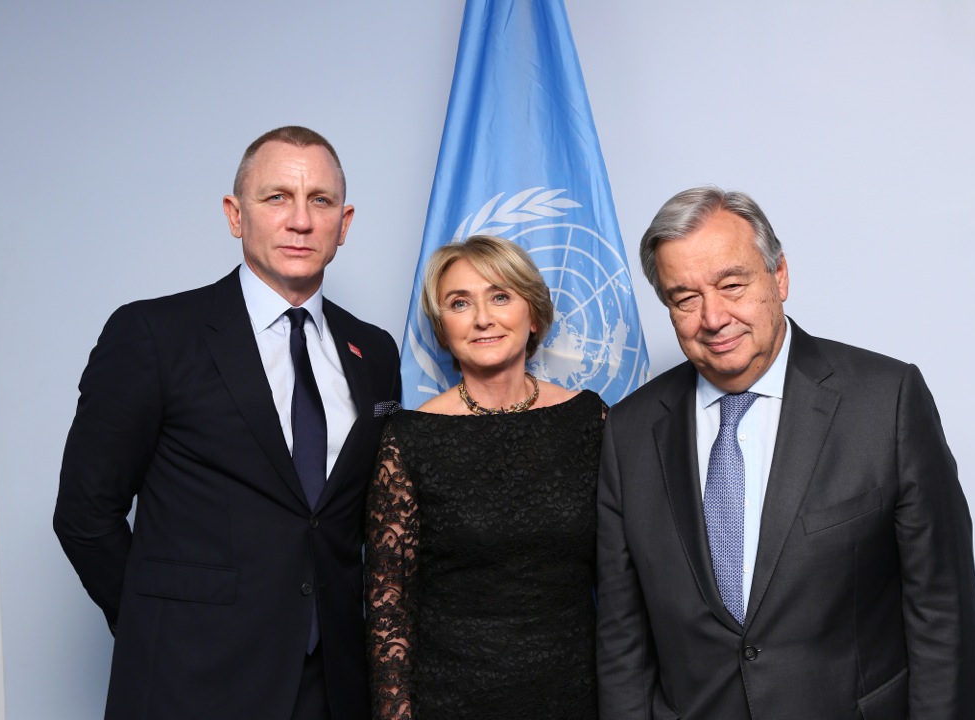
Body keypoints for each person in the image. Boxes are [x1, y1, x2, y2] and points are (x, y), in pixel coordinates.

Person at [54, 126, 401, 720]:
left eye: (319, 201)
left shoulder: (374, 351)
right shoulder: (154, 335)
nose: (300, 221)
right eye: (276, 197)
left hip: (334, 686)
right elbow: (85, 515)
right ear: (235, 215)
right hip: (189, 679)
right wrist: (156, 625)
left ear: (343, 224)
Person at [596, 187, 975, 719]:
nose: (713, 317)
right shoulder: (629, 432)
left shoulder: (885, 402)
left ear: (779, 276)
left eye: (732, 285)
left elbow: (942, 611)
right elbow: (622, 640)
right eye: (685, 299)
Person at [365, 235, 606, 720]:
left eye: (500, 296)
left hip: (576, 696)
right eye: (460, 303)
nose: (482, 318)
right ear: (443, 328)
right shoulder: (410, 437)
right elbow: (389, 604)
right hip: (450, 701)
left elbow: (628, 577)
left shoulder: (588, 420)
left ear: (533, 314)